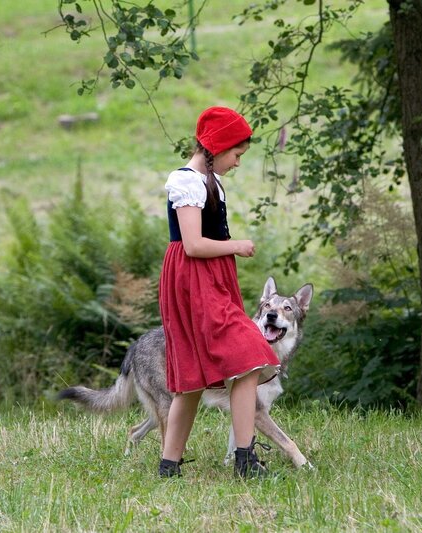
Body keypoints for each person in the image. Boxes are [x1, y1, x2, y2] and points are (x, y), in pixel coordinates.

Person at [158, 106, 280, 479]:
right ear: (217, 147)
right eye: (237, 154)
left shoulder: (209, 180)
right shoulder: (187, 182)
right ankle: (244, 461)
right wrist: (236, 245)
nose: (238, 162)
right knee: (247, 355)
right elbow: (192, 245)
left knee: (201, 376)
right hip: (194, 282)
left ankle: (169, 467)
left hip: (210, 280)